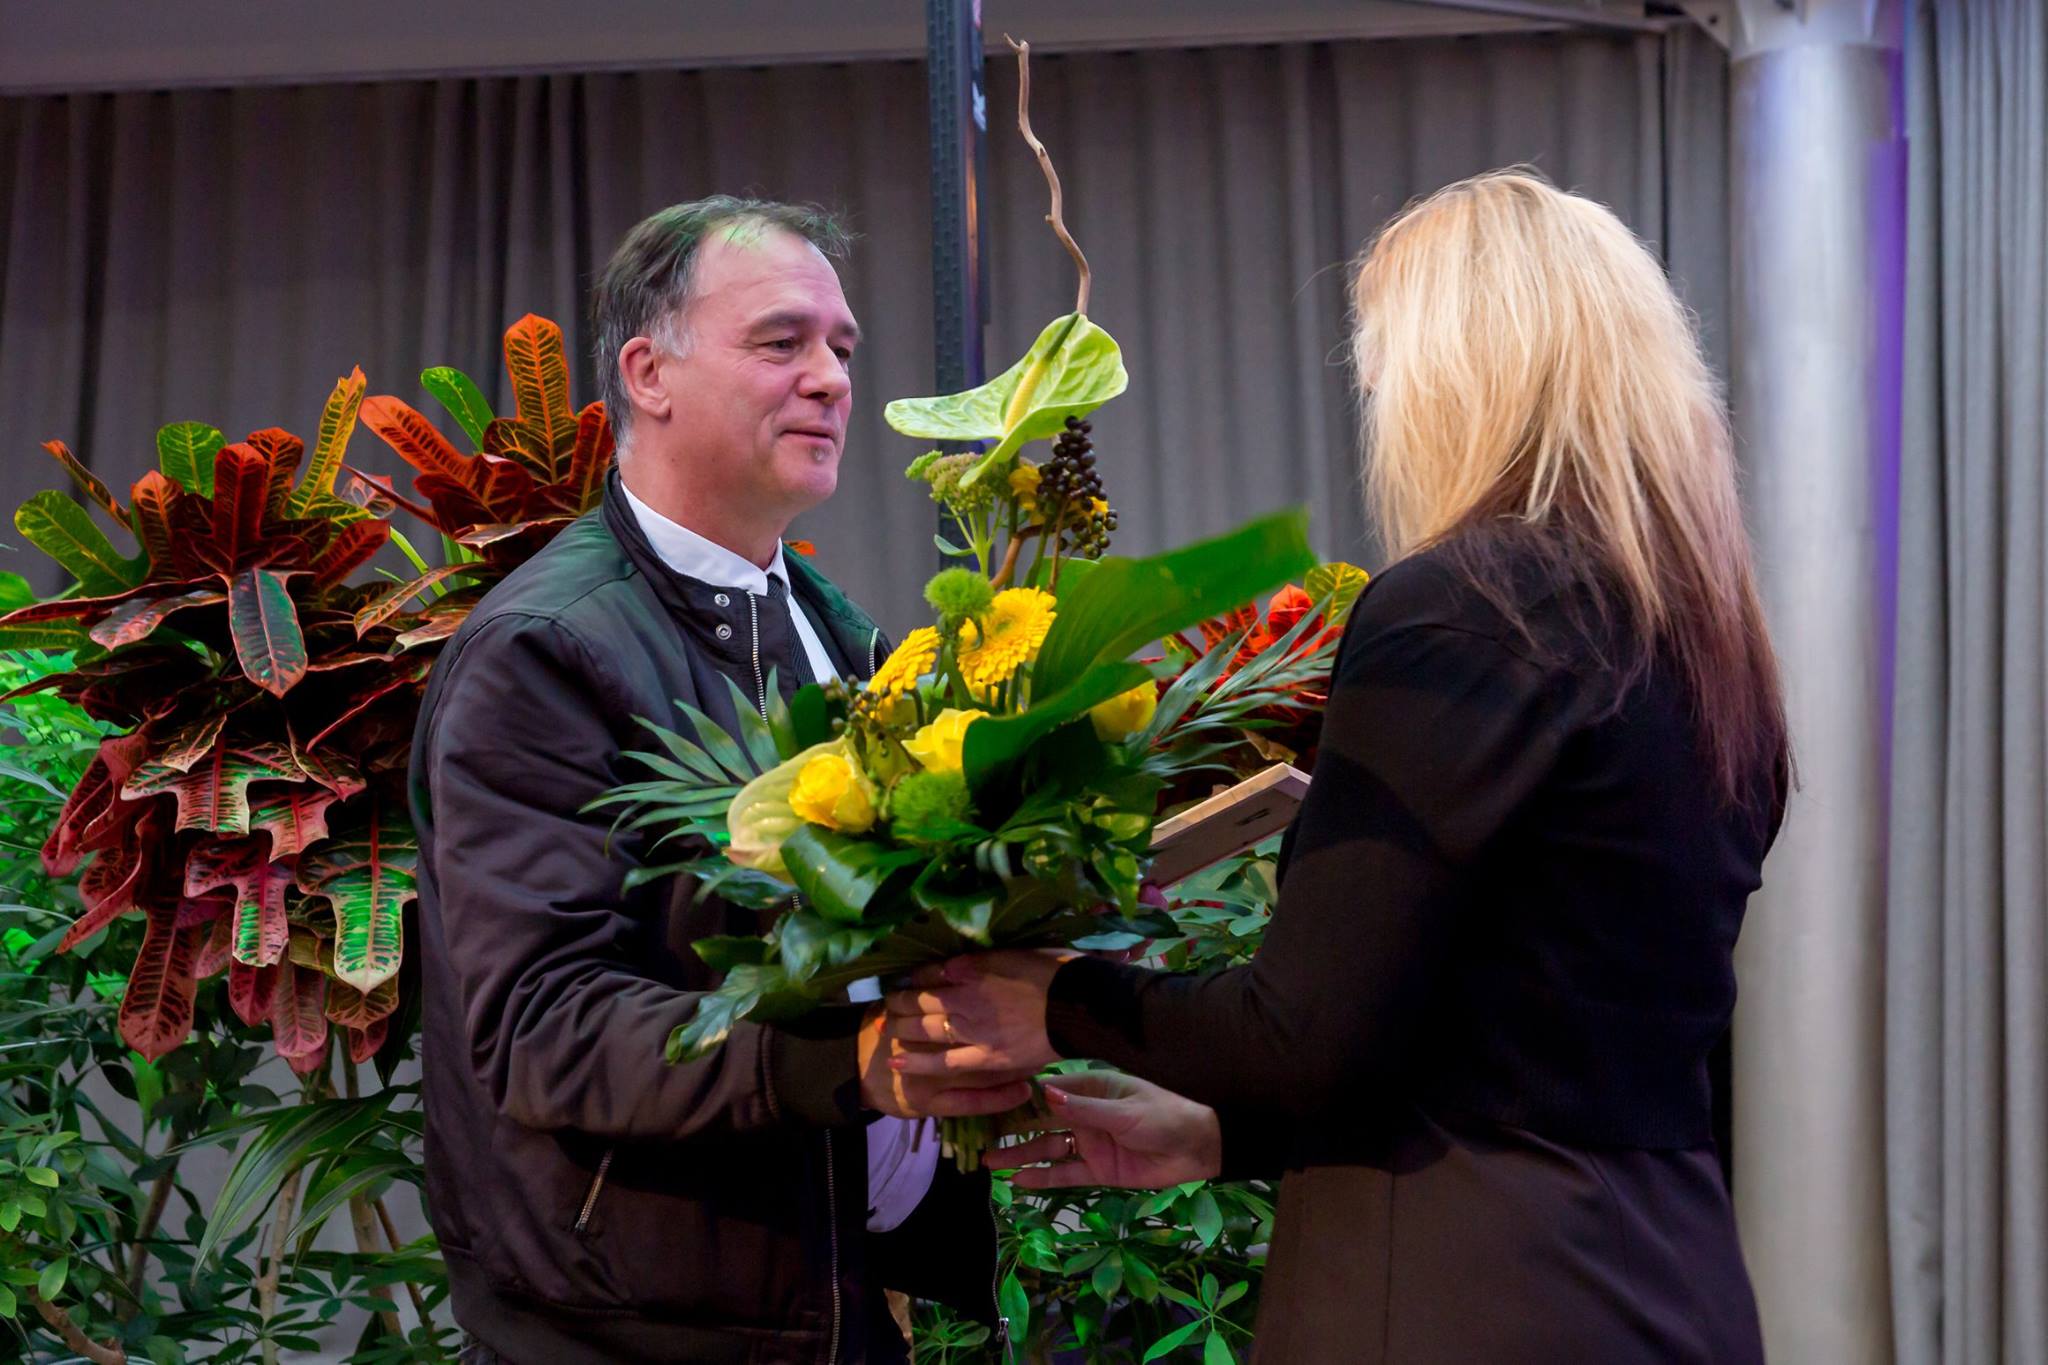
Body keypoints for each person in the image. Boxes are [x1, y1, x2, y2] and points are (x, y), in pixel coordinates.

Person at [885, 170, 1790, 1363]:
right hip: (1666, 1267)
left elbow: (1303, 1031)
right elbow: (1534, 1042)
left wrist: (1049, 999)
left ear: (1463, 368)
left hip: (1460, 1288)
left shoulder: (1458, 613)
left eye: (1378, 351)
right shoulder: (1702, 637)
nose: (1370, 386)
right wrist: (1219, 1140)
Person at [410, 198, 1028, 1365]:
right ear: (648, 372)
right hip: (628, 1334)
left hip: (830, 1307)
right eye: (781, 342)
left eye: (841, 348)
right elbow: (543, 1027)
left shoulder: (835, 632)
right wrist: (847, 1065)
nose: (832, 378)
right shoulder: (545, 651)